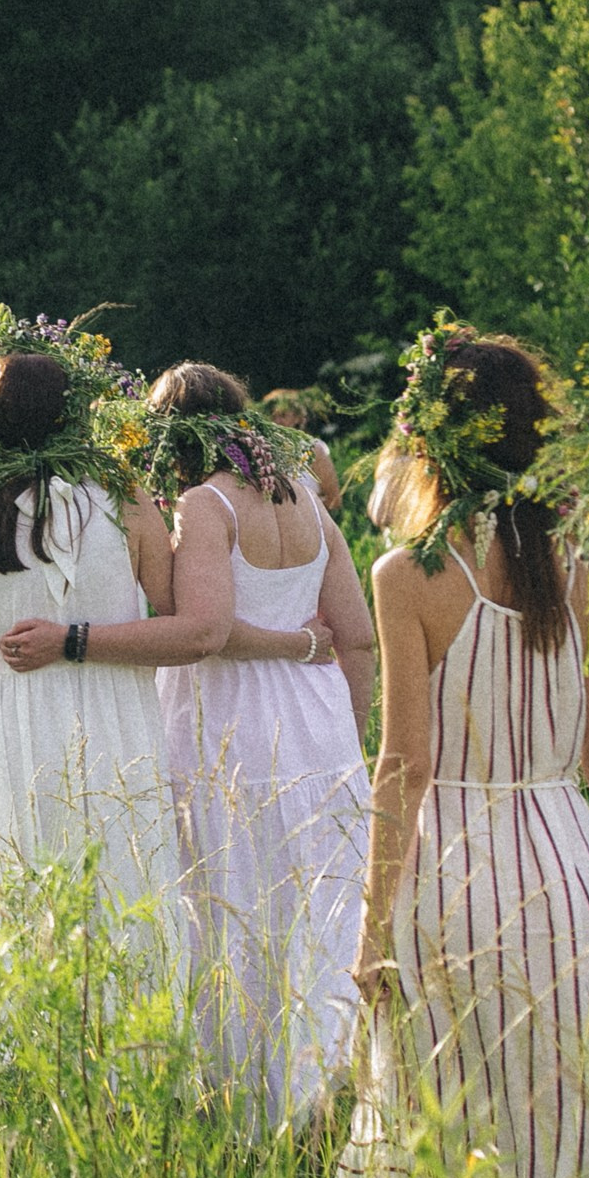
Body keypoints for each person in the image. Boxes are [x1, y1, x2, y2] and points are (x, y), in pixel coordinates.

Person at [326, 324, 589, 1178]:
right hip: (567, 871)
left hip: (452, 874)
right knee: (569, 1104)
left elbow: (404, 766)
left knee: (449, 1103)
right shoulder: (583, 564)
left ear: (430, 440)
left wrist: (373, 928)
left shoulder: (407, 576)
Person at [151, 362, 374, 1127]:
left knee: (234, 898)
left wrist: (286, 645)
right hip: (319, 720)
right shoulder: (305, 496)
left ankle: (246, 1106)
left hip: (230, 719)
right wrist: (350, 735)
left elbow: (208, 631)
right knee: (318, 905)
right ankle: (330, 1085)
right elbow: (358, 635)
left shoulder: (203, 505)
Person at [0, 337, 191, 993]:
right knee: (129, 895)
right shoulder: (129, 501)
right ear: (74, 415)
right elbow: (178, 628)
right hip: (122, 731)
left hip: (18, 740)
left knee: (29, 917)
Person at [261, 387, 342, 510]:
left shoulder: (313, 450)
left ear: (297, 418)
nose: (277, 421)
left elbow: (334, 500)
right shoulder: (260, 450)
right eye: (273, 415)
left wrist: (302, 510)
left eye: (283, 415)